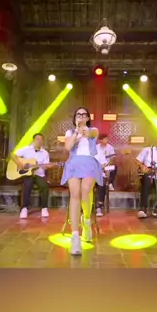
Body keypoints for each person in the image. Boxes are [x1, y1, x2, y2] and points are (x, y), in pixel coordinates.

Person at [62, 107, 103, 255]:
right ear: (74, 118)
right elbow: (68, 147)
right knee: (75, 194)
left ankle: (86, 220)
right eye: (78, 114)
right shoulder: (70, 133)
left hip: (89, 162)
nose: (81, 116)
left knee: (85, 190)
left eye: (84, 114)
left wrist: (82, 129)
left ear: (88, 118)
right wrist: (76, 133)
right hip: (73, 163)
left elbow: (90, 133)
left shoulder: (93, 130)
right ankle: (75, 237)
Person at [12, 133, 53, 219]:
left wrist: (46, 166)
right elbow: (13, 155)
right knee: (27, 185)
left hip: (39, 174)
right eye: (37, 139)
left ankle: (44, 208)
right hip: (28, 174)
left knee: (44, 186)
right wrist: (19, 163)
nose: (39, 141)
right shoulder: (26, 149)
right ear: (34, 140)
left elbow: (45, 166)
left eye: (41, 139)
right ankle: (24, 208)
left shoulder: (45, 153)